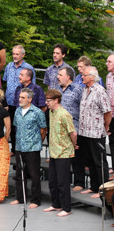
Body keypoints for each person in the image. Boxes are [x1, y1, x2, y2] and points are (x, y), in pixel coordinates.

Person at [77, 66, 111, 198]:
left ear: (92, 77)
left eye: (84, 75)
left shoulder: (99, 91)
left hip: (96, 133)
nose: (82, 77)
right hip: (84, 132)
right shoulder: (85, 90)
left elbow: (107, 112)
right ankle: (94, 186)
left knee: (99, 162)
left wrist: (105, 127)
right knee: (89, 161)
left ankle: (103, 190)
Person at [10, 88, 47, 208]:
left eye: (23, 97)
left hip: (32, 148)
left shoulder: (37, 112)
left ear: (30, 99)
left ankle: (36, 200)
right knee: (19, 174)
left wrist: (37, 142)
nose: (20, 99)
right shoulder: (17, 111)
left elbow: (43, 129)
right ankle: (20, 198)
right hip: (19, 147)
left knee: (34, 175)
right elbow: (16, 127)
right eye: (19, 97)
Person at [43, 89, 76, 217]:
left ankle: (66, 208)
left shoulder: (64, 114)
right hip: (54, 151)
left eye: (49, 100)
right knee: (53, 180)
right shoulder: (51, 112)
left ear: (56, 100)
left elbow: (72, 132)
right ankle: (56, 204)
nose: (47, 103)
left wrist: (73, 144)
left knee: (63, 181)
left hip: (63, 152)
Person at [2, 45, 36, 153]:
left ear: (23, 55)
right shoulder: (9, 66)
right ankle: (13, 149)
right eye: (13, 54)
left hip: (22, 103)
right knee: (10, 125)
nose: (15, 56)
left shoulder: (28, 68)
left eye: (17, 54)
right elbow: (6, 81)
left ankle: (22, 149)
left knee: (20, 126)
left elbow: (32, 86)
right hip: (10, 101)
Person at [57, 66, 84, 190]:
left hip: (74, 126)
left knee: (76, 157)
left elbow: (83, 108)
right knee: (62, 158)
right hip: (59, 129)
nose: (58, 77)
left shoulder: (78, 89)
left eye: (60, 74)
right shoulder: (57, 90)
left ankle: (79, 182)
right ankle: (64, 181)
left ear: (68, 77)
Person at [106, 54, 114, 177]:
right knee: (112, 142)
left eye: (109, 61)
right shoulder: (108, 76)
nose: (106, 63)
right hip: (111, 114)